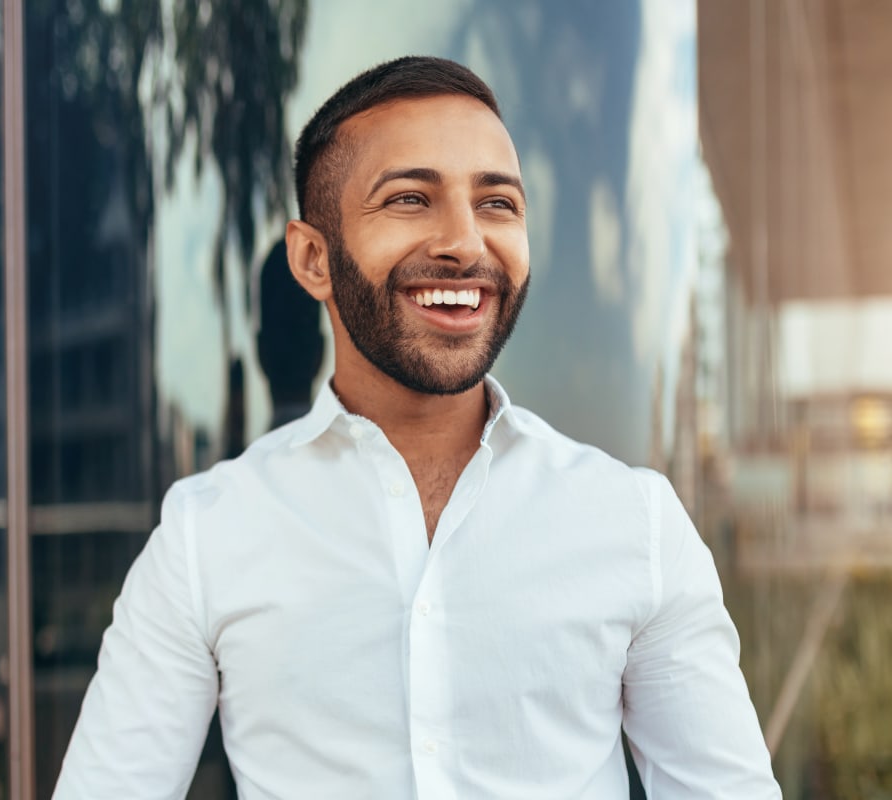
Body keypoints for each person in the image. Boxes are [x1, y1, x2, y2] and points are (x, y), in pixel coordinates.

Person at [54, 56, 781, 799]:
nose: (465, 244)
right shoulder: (205, 537)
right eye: (409, 199)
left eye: (497, 204)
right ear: (312, 258)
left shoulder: (638, 526)